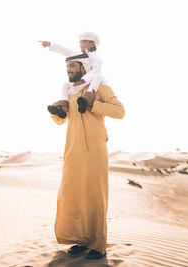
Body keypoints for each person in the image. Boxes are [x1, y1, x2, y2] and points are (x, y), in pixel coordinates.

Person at [49, 52, 125, 260]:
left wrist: (93, 104)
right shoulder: (70, 92)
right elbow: (61, 121)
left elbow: (120, 111)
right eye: (67, 67)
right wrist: (57, 112)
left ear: (84, 67)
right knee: (72, 196)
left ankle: (98, 245)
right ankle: (81, 240)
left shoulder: (100, 88)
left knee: (94, 197)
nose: (69, 70)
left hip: (94, 150)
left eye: (72, 66)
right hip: (73, 150)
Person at [40, 32, 106, 116]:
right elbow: (65, 50)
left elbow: (96, 71)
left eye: (84, 41)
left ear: (92, 43)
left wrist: (83, 80)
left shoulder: (95, 57)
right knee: (65, 85)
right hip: (81, 83)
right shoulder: (80, 54)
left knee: (98, 76)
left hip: (92, 82)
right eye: (80, 42)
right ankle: (65, 103)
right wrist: (50, 44)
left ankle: (87, 99)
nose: (80, 44)